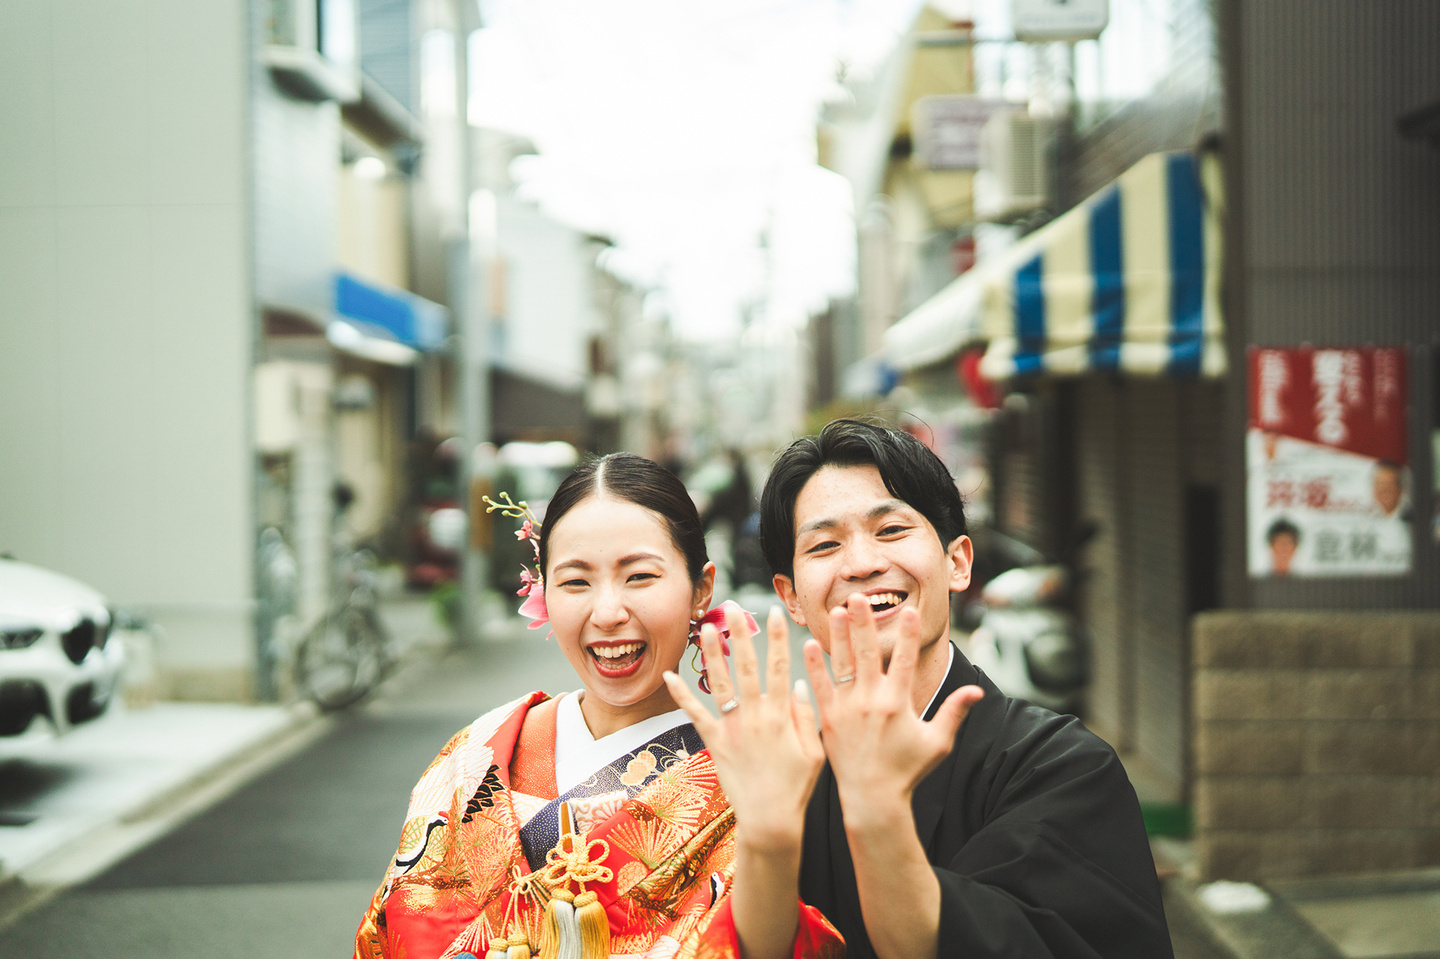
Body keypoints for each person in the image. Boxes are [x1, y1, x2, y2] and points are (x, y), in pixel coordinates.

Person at [354, 453, 842, 959]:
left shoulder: (753, 781)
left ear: (702, 588)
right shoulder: (478, 751)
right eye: (576, 581)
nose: (608, 613)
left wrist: (770, 842)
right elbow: (398, 926)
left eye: (639, 577)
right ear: (543, 590)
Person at [757, 419, 1173, 959]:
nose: (861, 565)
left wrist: (877, 811)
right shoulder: (786, 785)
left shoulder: (1066, 769)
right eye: (825, 544)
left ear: (958, 563)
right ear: (790, 598)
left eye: (890, 531)